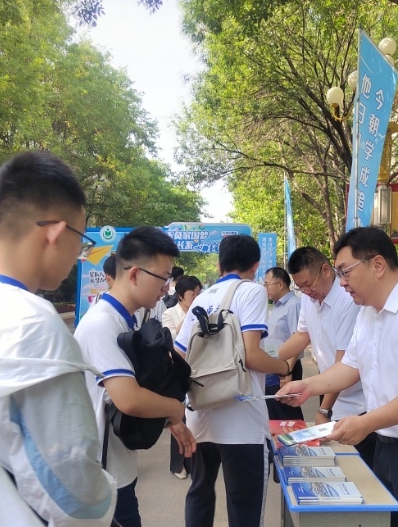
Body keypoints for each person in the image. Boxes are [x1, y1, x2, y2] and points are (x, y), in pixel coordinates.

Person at [278, 226, 398, 527]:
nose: (342, 283)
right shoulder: (369, 313)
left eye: (345, 272)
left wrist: (365, 423)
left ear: (377, 265)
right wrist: (307, 386)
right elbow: (350, 367)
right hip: (387, 445)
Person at [0, 151, 116, 525]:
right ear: (56, 233)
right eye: (81, 241)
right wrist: (107, 498)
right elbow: (74, 488)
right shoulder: (33, 323)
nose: (79, 254)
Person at [75, 225, 197, 527]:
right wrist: (175, 410)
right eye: (163, 278)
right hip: (102, 474)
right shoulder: (102, 324)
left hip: (117, 466)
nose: (167, 287)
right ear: (134, 274)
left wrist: (170, 421)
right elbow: (128, 398)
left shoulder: (125, 320)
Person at [175, 234, 293, 527]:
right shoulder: (251, 291)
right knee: (244, 507)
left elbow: (178, 355)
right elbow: (251, 355)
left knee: (200, 494)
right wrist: (282, 367)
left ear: (219, 265)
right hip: (241, 421)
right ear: (255, 266)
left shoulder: (201, 298)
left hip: (200, 417)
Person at [278, 246, 375, 467]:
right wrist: (267, 359)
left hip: (358, 403)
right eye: (300, 287)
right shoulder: (308, 299)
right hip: (331, 392)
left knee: (358, 468)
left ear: (325, 270)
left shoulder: (348, 301)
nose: (306, 291)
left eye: (308, 284)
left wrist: (324, 409)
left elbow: (343, 364)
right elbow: (301, 336)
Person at [162, 274, 203, 480]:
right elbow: (171, 338)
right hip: (177, 370)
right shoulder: (169, 313)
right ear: (180, 296)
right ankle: (179, 465)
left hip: (198, 369)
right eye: (192, 294)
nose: (196, 298)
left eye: (198, 293)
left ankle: (196, 460)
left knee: (197, 415)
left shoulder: (203, 312)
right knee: (178, 417)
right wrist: (190, 318)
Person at [262, 267, 304, 421]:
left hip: (286, 368)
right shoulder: (277, 306)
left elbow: (297, 339)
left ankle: (297, 437)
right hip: (275, 366)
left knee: (287, 414)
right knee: (275, 413)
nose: (265, 288)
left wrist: (287, 371)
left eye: (267, 284)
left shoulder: (293, 304)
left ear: (280, 284)